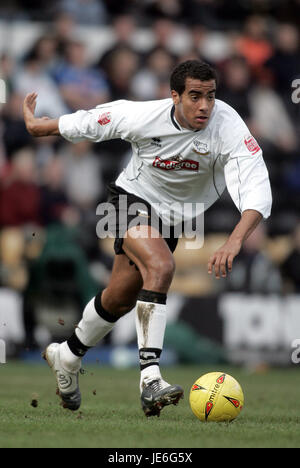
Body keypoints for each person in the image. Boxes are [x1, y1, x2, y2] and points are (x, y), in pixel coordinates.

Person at [23, 60, 272, 417]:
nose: (204, 106)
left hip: (173, 220)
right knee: (162, 266)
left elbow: (257, 188)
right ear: (175, 97)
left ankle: (66, 355)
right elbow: (91, 122)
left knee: (118, 300)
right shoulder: (143, 116)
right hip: (130, 200)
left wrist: (234, 240)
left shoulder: (228, 126)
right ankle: (150, 380)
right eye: (195, 96)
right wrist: (38, 126)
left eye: (211, 96)